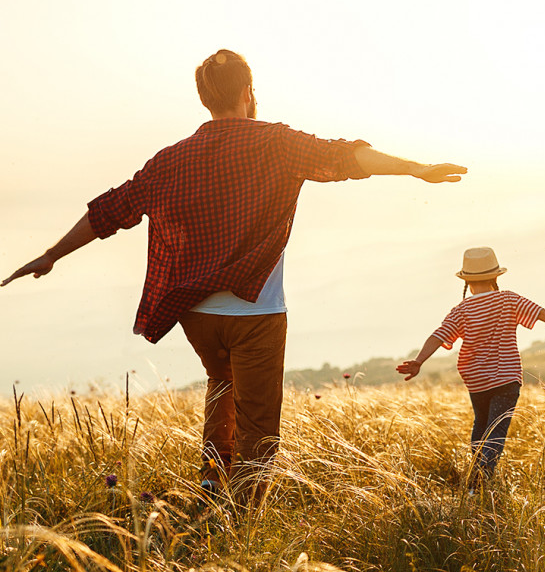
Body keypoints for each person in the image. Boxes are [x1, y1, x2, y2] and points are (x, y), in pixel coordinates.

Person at [2, 50, 467, 508]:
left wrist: (51, 255)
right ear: (248, 92)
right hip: (257, 313)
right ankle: (241, 517)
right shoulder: (276, 143)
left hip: (196, 315)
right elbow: (347, 157)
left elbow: (110, 211)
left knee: (221, 385)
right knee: (259, 422)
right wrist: (417, 169)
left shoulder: (170, 160)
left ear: (205, 99)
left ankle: (210, 485)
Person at [397, 246, 545, 488]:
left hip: (476, 380)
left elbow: (438, 336)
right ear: (495, 276)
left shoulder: (461, 310)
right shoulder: (508, 299)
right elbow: (542, 314)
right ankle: (482, 479)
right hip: (506, 378)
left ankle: (475, 480)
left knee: (480, 425)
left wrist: (419, 361)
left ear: (467, 282)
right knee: (496, 429)